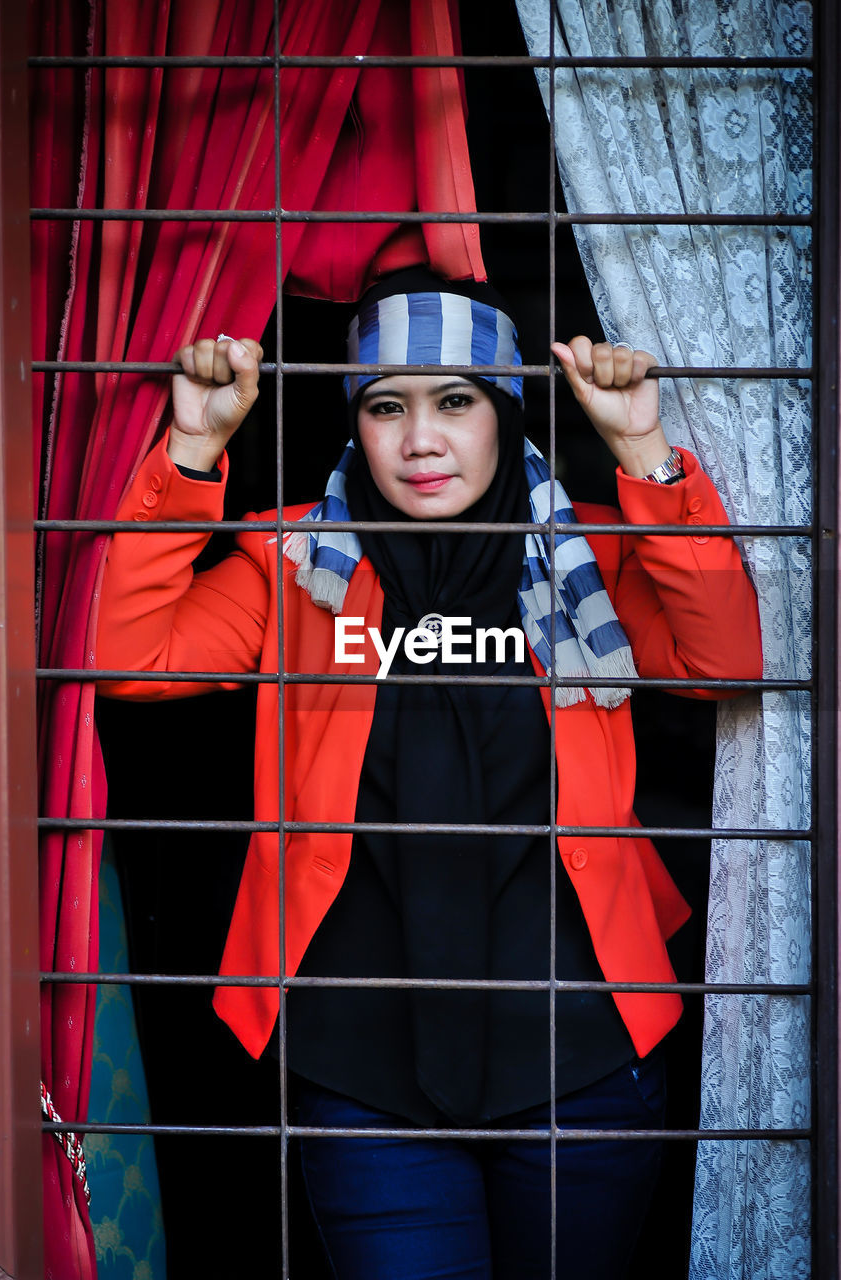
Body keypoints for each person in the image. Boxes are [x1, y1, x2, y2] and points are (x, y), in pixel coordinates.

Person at [96, 269, 762, 1279]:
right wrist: (194, 447)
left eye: (455, 400)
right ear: (354, 424)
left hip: (581, 1055)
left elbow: (727, 664)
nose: (421, 439)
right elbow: (124, 655)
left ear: (502, 412)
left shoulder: (588, 552)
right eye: (386, 406)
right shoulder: (296, 563)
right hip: (364, 1068)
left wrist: (642, 451)